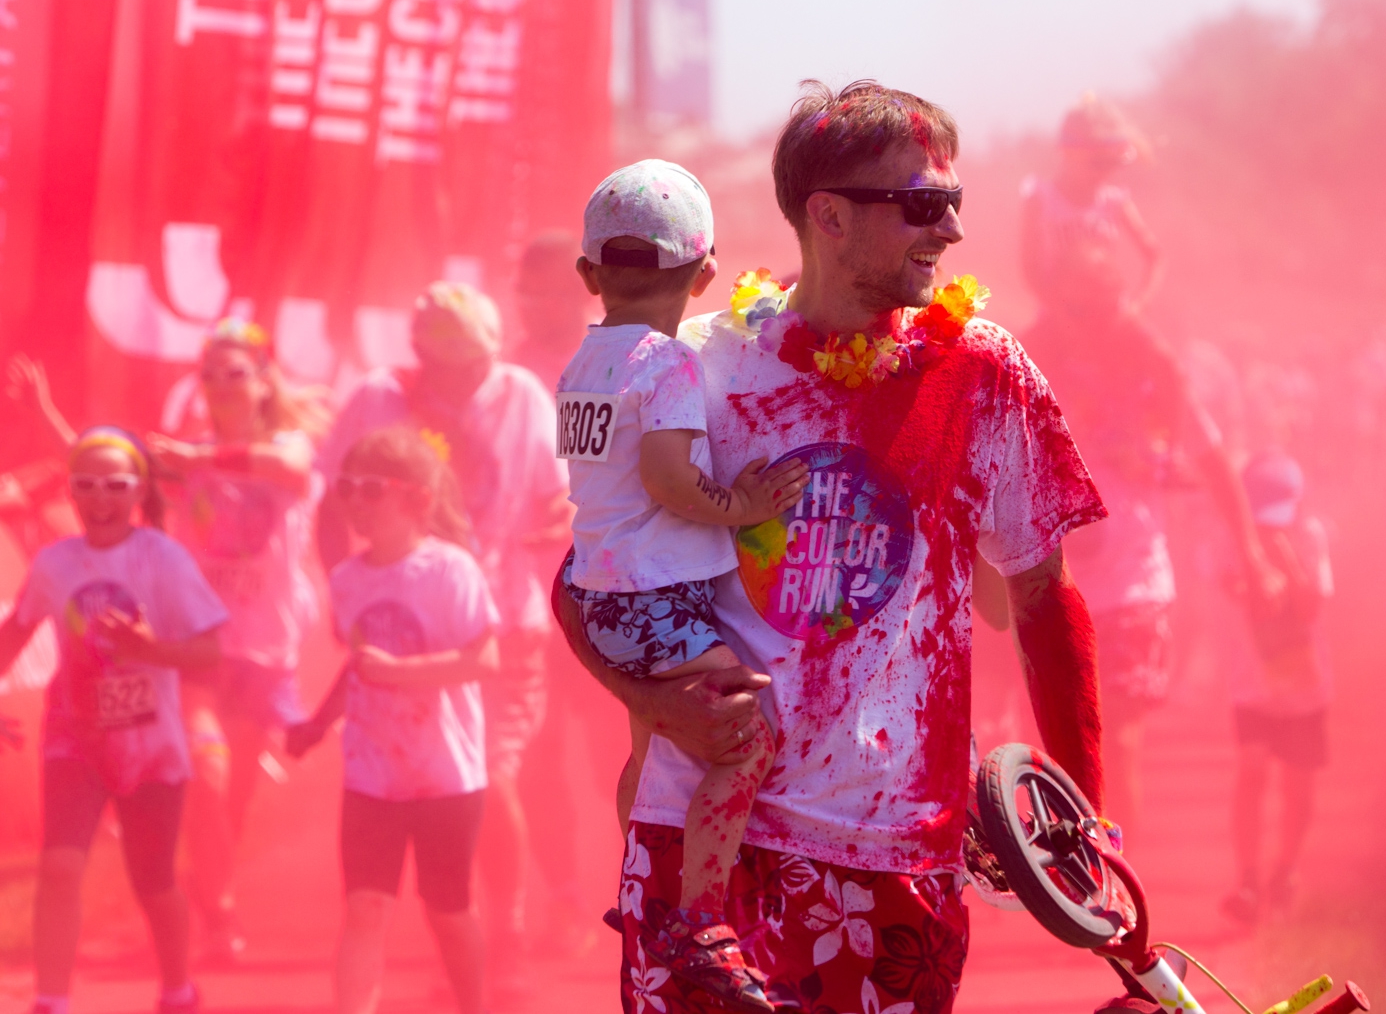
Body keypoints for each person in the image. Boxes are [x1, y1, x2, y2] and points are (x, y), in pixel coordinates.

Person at [555, 80, 1107, 1014]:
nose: (952, 232)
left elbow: (1045, 597)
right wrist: (655, 700)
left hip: (899, 855)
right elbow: (581, 584)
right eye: (925, 205)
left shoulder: (985, 371)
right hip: (706, 862)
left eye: (955, 204)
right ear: (829, 214)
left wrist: (1082, 820)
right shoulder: (693, 367)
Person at [559, 160, 810, 1013]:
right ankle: (699, 921)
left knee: (648, 748)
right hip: (654, 599)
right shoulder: (664, 362)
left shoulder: (582, 361)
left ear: (590, 274)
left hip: (604, 591)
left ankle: (635, 885)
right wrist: (740, 505)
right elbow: (667, 476)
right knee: (745, 738)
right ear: (704, 273)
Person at [1020, 93, 1283, 840]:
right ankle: (1079, 868)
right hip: (1051, 578)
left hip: (1136, 580)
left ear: (1120, 296)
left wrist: (1255, 553)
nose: (1090, 319)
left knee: (1117, 735)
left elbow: (1214, 461)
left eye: (1104, 302)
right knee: (1065, 739)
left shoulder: (1154, 363)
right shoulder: (1029, 357)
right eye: (1074, 304)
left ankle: (1112, 885)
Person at [316, 283, 568, 982]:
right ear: (419, 351)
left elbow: (559, 495)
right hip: (397, 627)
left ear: (492, 350)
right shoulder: (378, 394)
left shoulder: (521, 395)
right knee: (409, 784)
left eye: (470, 361)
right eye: (440, 360)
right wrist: (348, 587)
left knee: (492, 774)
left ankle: (504, 932)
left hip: (499, 622)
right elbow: (329, 502)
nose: (455, 377)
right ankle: (447, 930)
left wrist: (559, 525)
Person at [0, 428, 229, 1014]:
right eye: (86, 485)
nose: (100, 498)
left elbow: (210, 652)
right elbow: (13, 638)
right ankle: (52, 1000)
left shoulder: (164, 559)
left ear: (138, 491)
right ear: (70, 493)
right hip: (74, 741)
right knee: (58, 866)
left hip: (151, 746)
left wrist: (153, 651)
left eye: (115, 486)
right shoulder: (55, 564)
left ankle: (177, 988)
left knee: (154, 883)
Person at [289, 425, 501, 1014]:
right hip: (371, 773)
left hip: (446, 776)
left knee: (448, 912)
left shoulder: (450, 571)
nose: (355, 501)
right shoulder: (345, 580)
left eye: (370, 489)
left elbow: (484, 660)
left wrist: (399, 672)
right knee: (366, 906)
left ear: (417, 498)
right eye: (346, 488)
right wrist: (315, 722)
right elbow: (359, 669)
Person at [139, 318, 325, 961]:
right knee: (208, 779)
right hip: (197, 647)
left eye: (235, 373)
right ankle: (215, 914)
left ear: (262, 380)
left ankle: (209, 891)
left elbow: (290, 471)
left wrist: (198, 458)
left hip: (264, 650)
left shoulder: (291, 445)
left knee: (234, 798)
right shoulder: (183, 453)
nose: (221, 386)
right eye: (210, 375)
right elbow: (102, 464)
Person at [1221, 451, 1333, 924]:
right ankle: (1247, 878)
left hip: (1306, 685)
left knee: (1299, 789)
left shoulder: (1310, 536)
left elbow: (1311, 606)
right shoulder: (1232, 541)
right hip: (1255, 685)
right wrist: (1254, 556)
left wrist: (1285, 556)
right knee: (1252, 771)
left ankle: (1284, 870)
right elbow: (1234, 591)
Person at [514, 231, 601, 390]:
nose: (529, 306)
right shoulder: (514, 367)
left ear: (583, 293)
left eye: (542, 294)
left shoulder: (621, 361)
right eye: (523, 293)